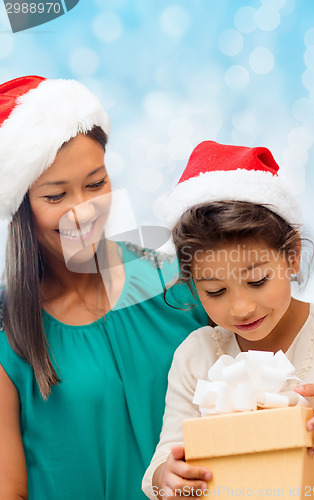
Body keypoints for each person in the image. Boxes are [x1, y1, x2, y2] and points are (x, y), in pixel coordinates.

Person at [0, 75, 208, 500]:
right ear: (20, 208)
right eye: (56, 196)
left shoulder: (179, 286)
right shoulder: (8, 336)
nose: (84, 211)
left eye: (96, 183)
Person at [142, 141, 314, 499]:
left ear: (292, 257)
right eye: (215, 291)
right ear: (192, 285)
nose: (241, 308)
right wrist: (167, 476)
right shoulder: (197, 357)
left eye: (257, 281)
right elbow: (165, 459)